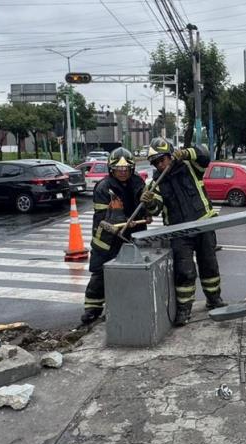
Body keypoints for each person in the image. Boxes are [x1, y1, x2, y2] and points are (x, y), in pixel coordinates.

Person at [142, 137, 225, 326]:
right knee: (184, 272)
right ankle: (184, 310)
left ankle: (214, 299)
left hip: (203, 225)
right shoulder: (155, 183)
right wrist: (149, 201)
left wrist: (187, 153)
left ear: (171, 155)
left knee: (209, 265)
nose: (161, 165)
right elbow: (155, 210)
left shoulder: (190, 167)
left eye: (163, 159)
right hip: (179, 232)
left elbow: (205, 155)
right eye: (156, 163)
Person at [81, 148, 148, 325]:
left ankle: (127, 306)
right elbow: (105, 218)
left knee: (131, 274)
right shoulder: (103, 187)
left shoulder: (138, 182)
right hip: (106, 241)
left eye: (126, 169)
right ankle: (92, 311)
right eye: (119, 169)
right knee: (99, 276)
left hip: (132, 238)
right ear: (112, 169)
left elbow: (145, 207)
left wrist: (148, 208)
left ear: (132, 169)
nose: (123, 172)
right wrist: (125, 220)